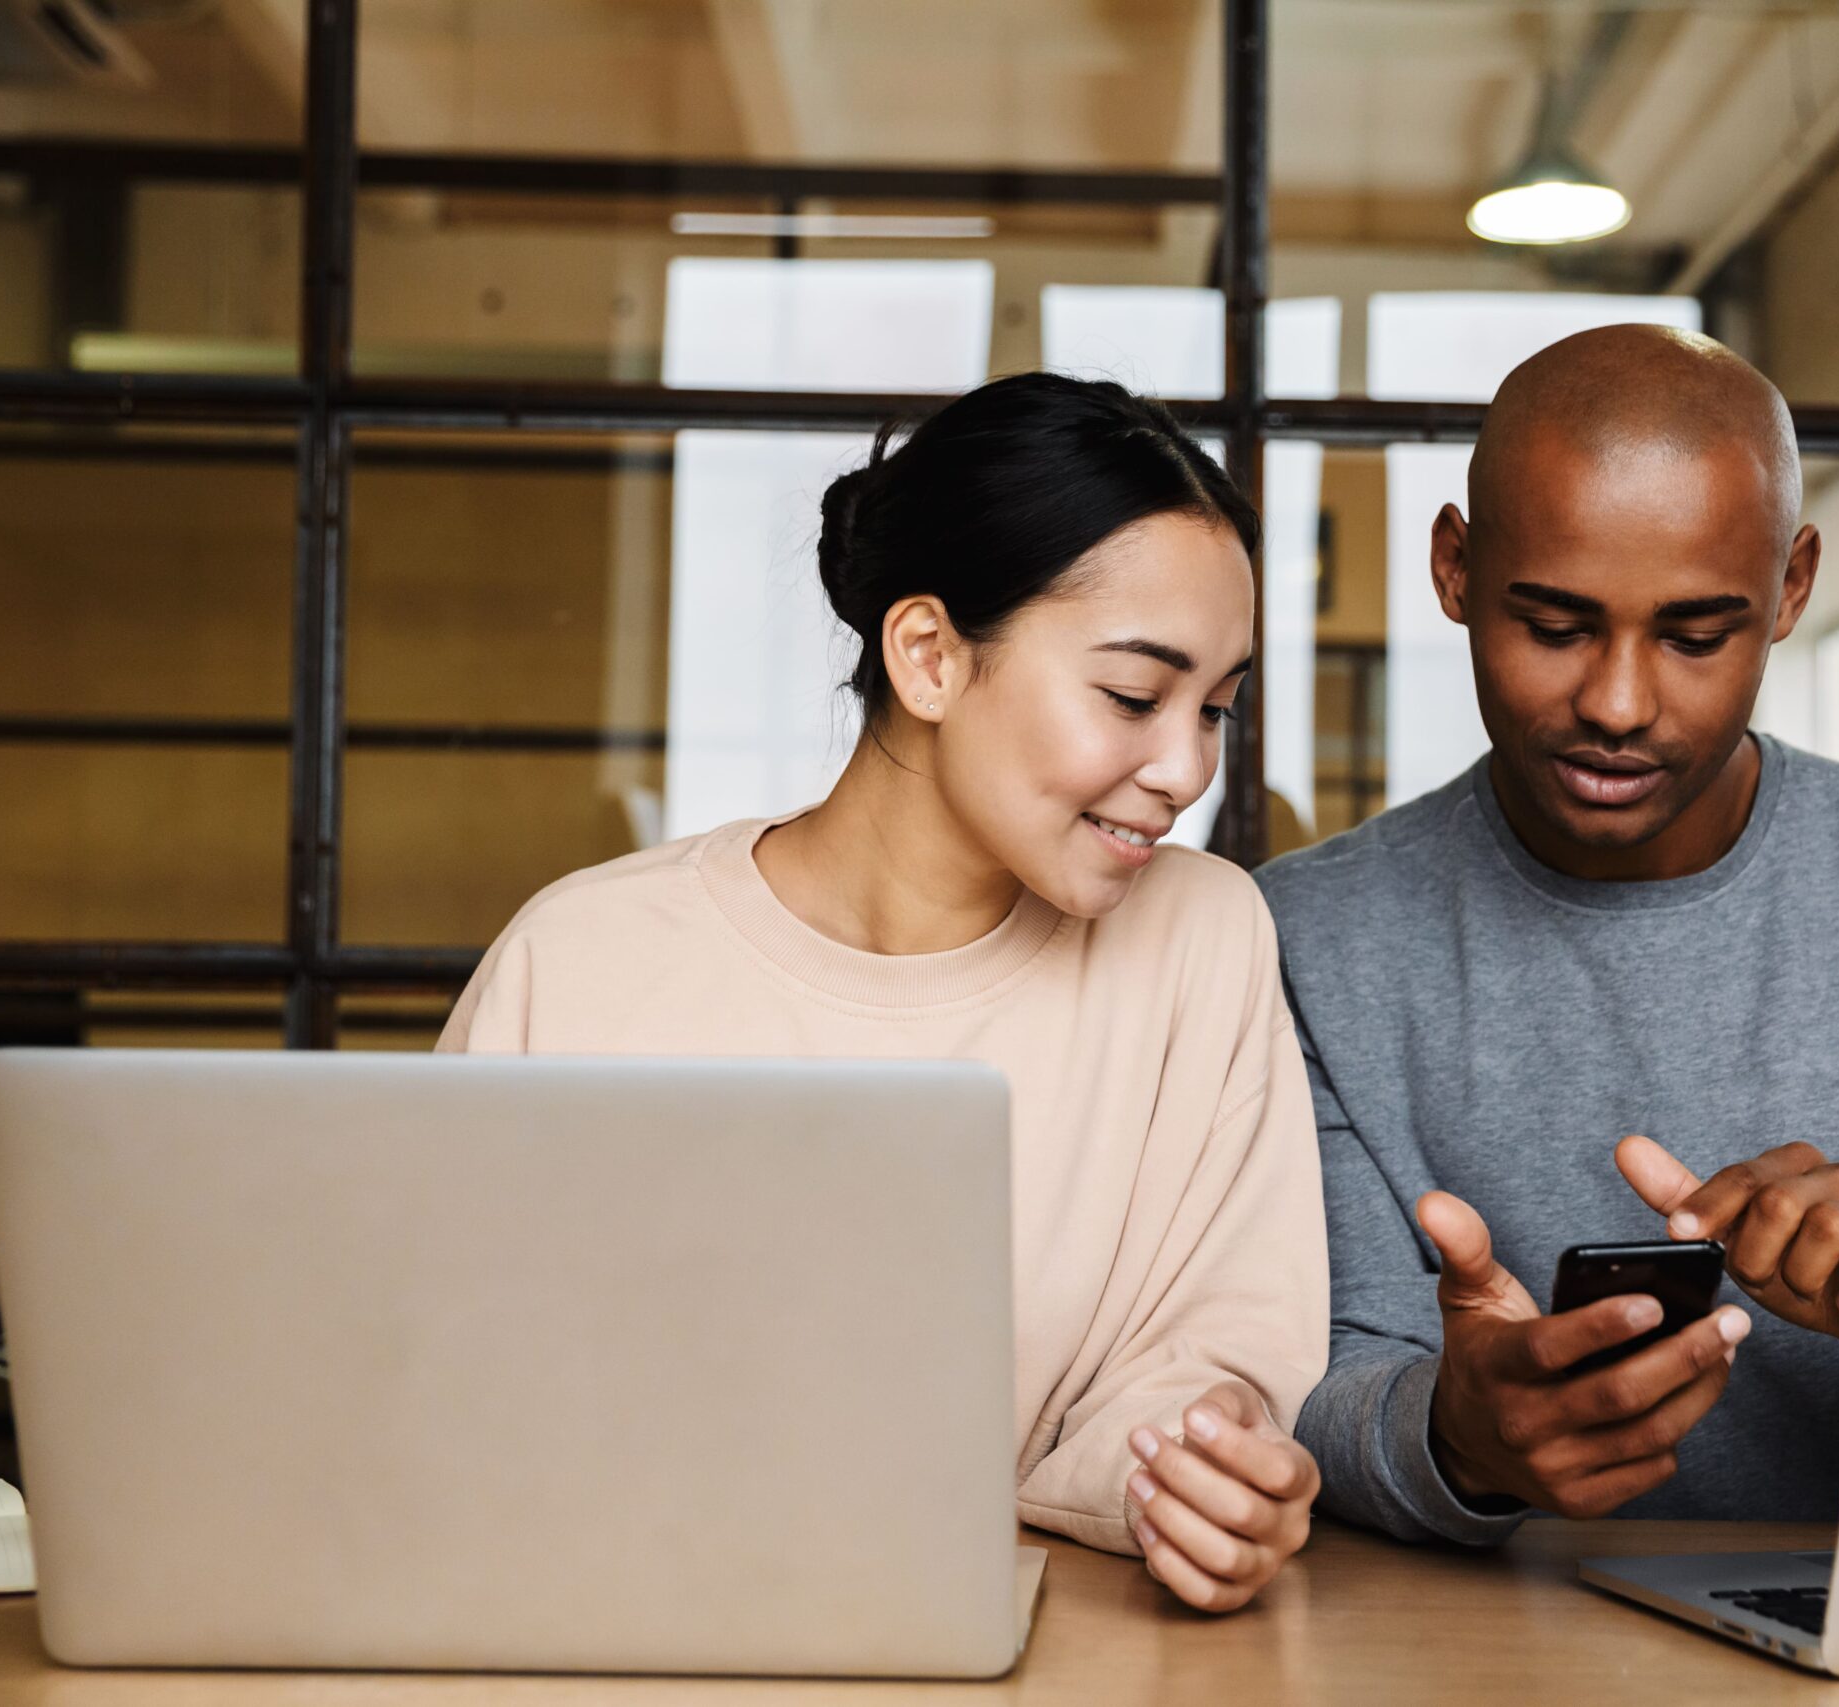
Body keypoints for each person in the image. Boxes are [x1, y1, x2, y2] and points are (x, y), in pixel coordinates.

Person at [439, 373, 1328, 1612]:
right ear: (926, 655)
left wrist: (1202, 1465)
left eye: (1217, 708)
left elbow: (1206, 1347)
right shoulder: (580, 961)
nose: (1186, 769)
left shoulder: (1202, 938)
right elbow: (444, 1389)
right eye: (1133, 696)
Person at [1256, 325, 1839, 1546]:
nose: (1618, 705)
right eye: (1556, 625)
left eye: (1693, 637)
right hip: (1462, 1662)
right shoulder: (1302, 944)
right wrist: (1458, 1435)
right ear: (1454, 569)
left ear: (1789, 589)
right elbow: (1301, 1383)